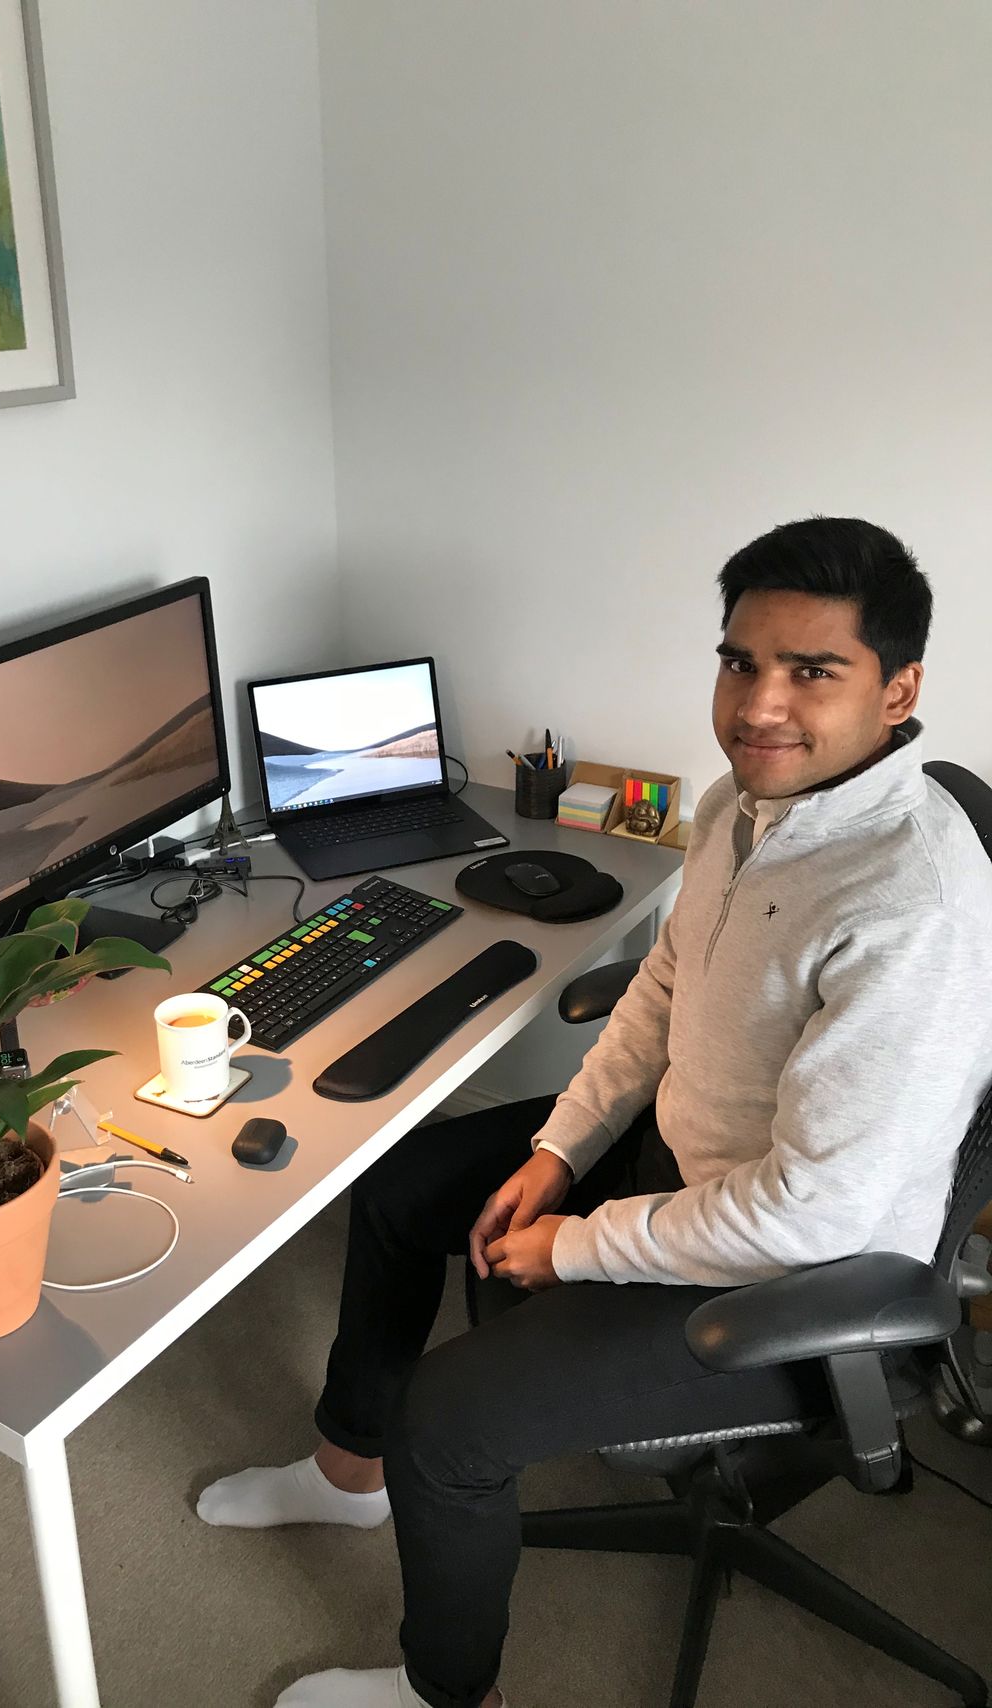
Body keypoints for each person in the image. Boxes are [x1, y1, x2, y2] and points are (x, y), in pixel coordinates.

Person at [198, 518, 992, 1708]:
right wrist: (558, 1149)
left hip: (792, 1279)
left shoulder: (907, 905)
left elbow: (811, 1211)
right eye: (738, 662)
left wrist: (574, 1243)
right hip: (680, 1159)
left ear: (898, 690)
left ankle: (445, 1693)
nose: (757, 705)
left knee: (448, 1423)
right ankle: (346, 1470)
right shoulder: (742, 803)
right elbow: (663, 988)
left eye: (810, 671)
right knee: (403, 1184)